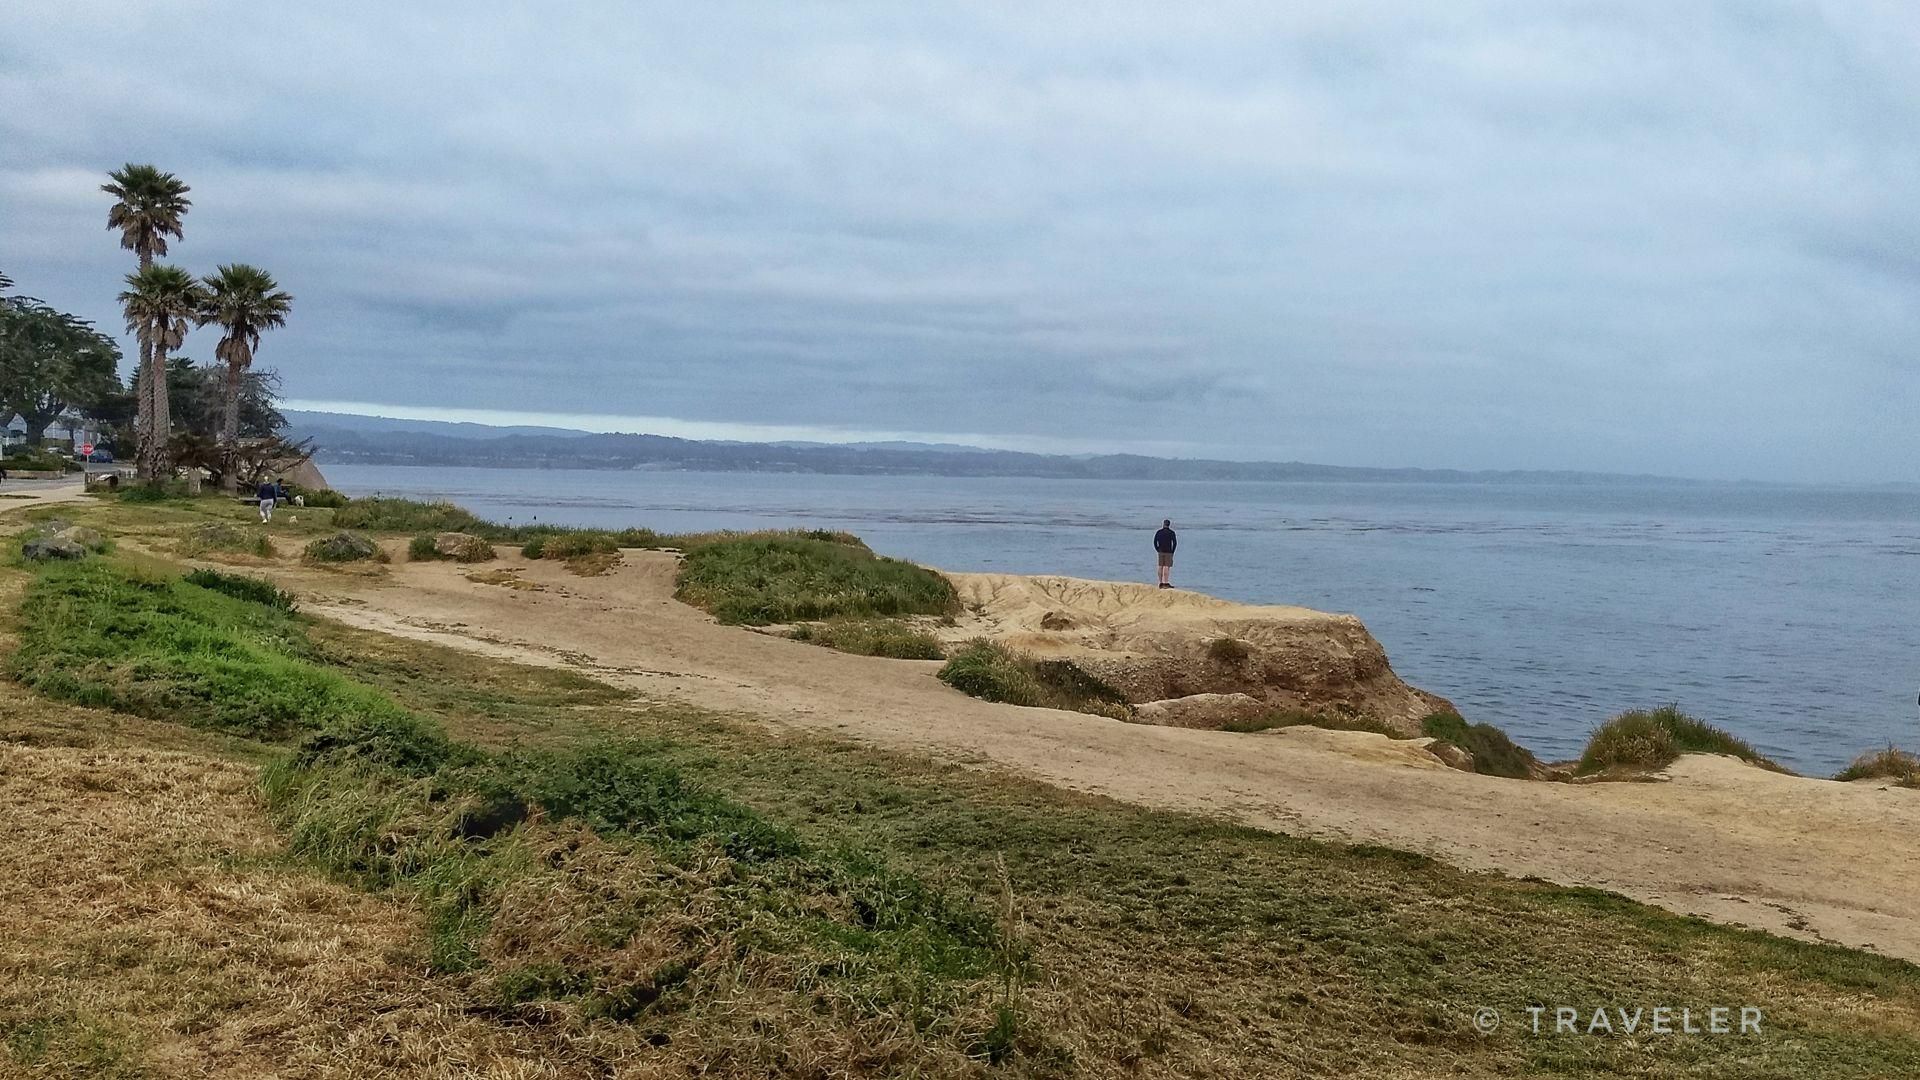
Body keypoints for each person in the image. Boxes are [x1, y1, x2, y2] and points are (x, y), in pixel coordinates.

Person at [1153, 518, 1177, 589]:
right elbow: (1175, 543)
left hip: (1160, 551)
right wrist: (1173, 551)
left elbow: (1155, 542)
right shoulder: (1172, 532)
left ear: (1163, 524)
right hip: (1168, 551)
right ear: (1169, 525)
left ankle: (1160, 582)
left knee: (1160, 566)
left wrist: (1157, 549)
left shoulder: (1159, 532)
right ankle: (1165, 582)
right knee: (1166, 567)